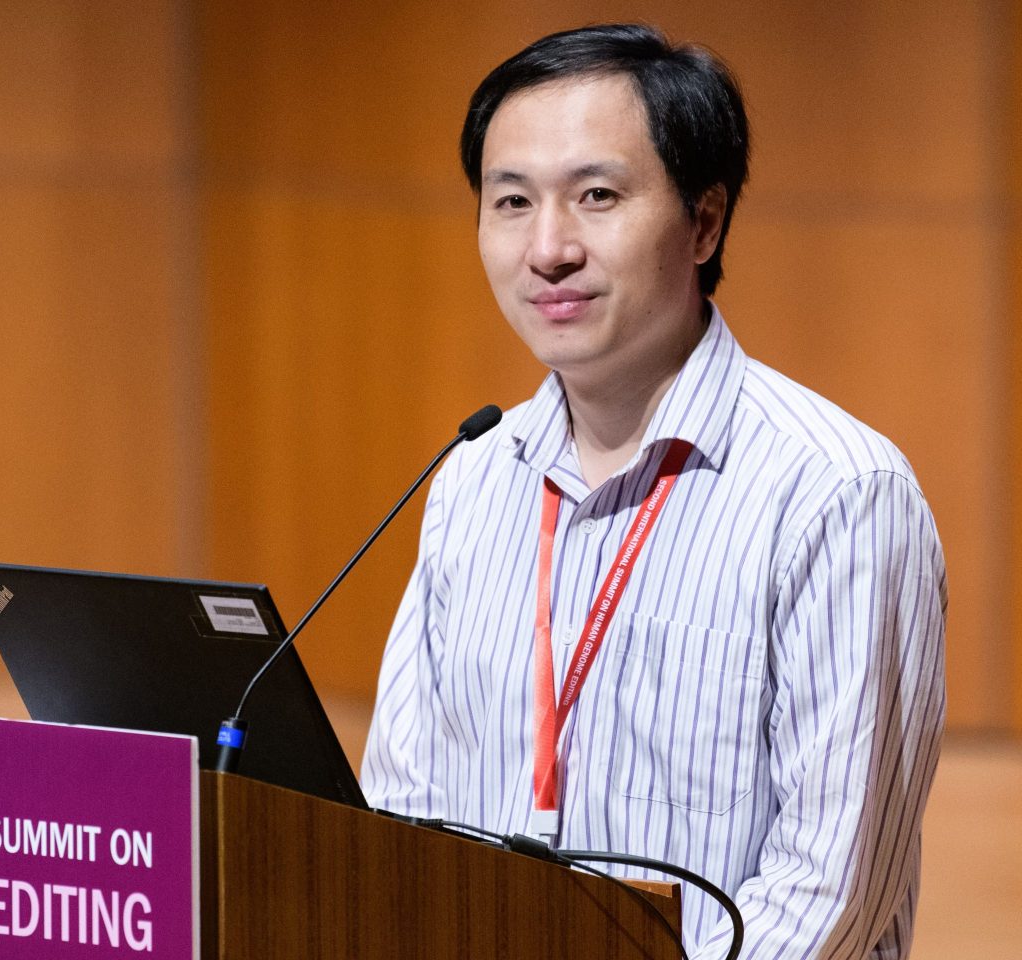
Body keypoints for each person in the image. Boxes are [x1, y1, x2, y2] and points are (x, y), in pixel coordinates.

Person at [360, 23, 946, 960]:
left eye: (596, 196)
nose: (548, 248)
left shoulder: (837, 494)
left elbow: (829, 888)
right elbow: (403, 814)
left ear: (704, 222)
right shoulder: (474, 476)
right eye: (511, 201)